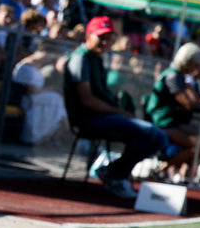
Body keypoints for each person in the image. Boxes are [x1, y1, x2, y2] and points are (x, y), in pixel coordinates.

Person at [63, 16, 169, 198]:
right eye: (101, 37)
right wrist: (118, 112)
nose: (105, 42)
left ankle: (114, 172)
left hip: (104, 116)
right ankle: (115, 174)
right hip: (90, 119)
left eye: (109, 38)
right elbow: (87, 101)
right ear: (88, 35)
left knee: (158, 137)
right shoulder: (80, 60)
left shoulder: (96, 59)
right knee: (151, 134)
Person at [144, 42, 200, 182]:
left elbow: (195, 102)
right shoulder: (173, 76)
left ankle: (183, 175)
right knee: (199, 146)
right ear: (188, 62)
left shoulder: (180, 76)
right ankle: (161, 169)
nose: (198, 69)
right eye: (197, 65)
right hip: (163, 122)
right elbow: (189, 104)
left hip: (172, 121)